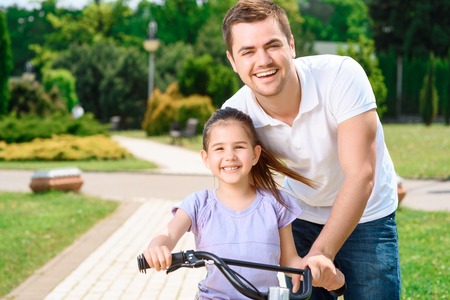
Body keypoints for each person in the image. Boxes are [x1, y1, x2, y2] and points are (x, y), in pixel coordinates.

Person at [220, 1, 401, 299]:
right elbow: (240, 197)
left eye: (272, 45)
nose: (262, 60)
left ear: (291, 45)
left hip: (369, 212)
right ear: (232, 60)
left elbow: (361, 175)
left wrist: (321, 254)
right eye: (248, 51)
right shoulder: (235, 116)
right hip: (302, 215)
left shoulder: (341, 75)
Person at [144, 107, 345, 299]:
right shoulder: (198, 204)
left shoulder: (275, 203)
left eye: (239, 147)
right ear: (206, 158)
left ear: (255, 154)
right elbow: (168, 234)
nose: (229, 156)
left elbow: (289, 259)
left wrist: (305, 269)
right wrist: (157, 247)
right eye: (219, 148)